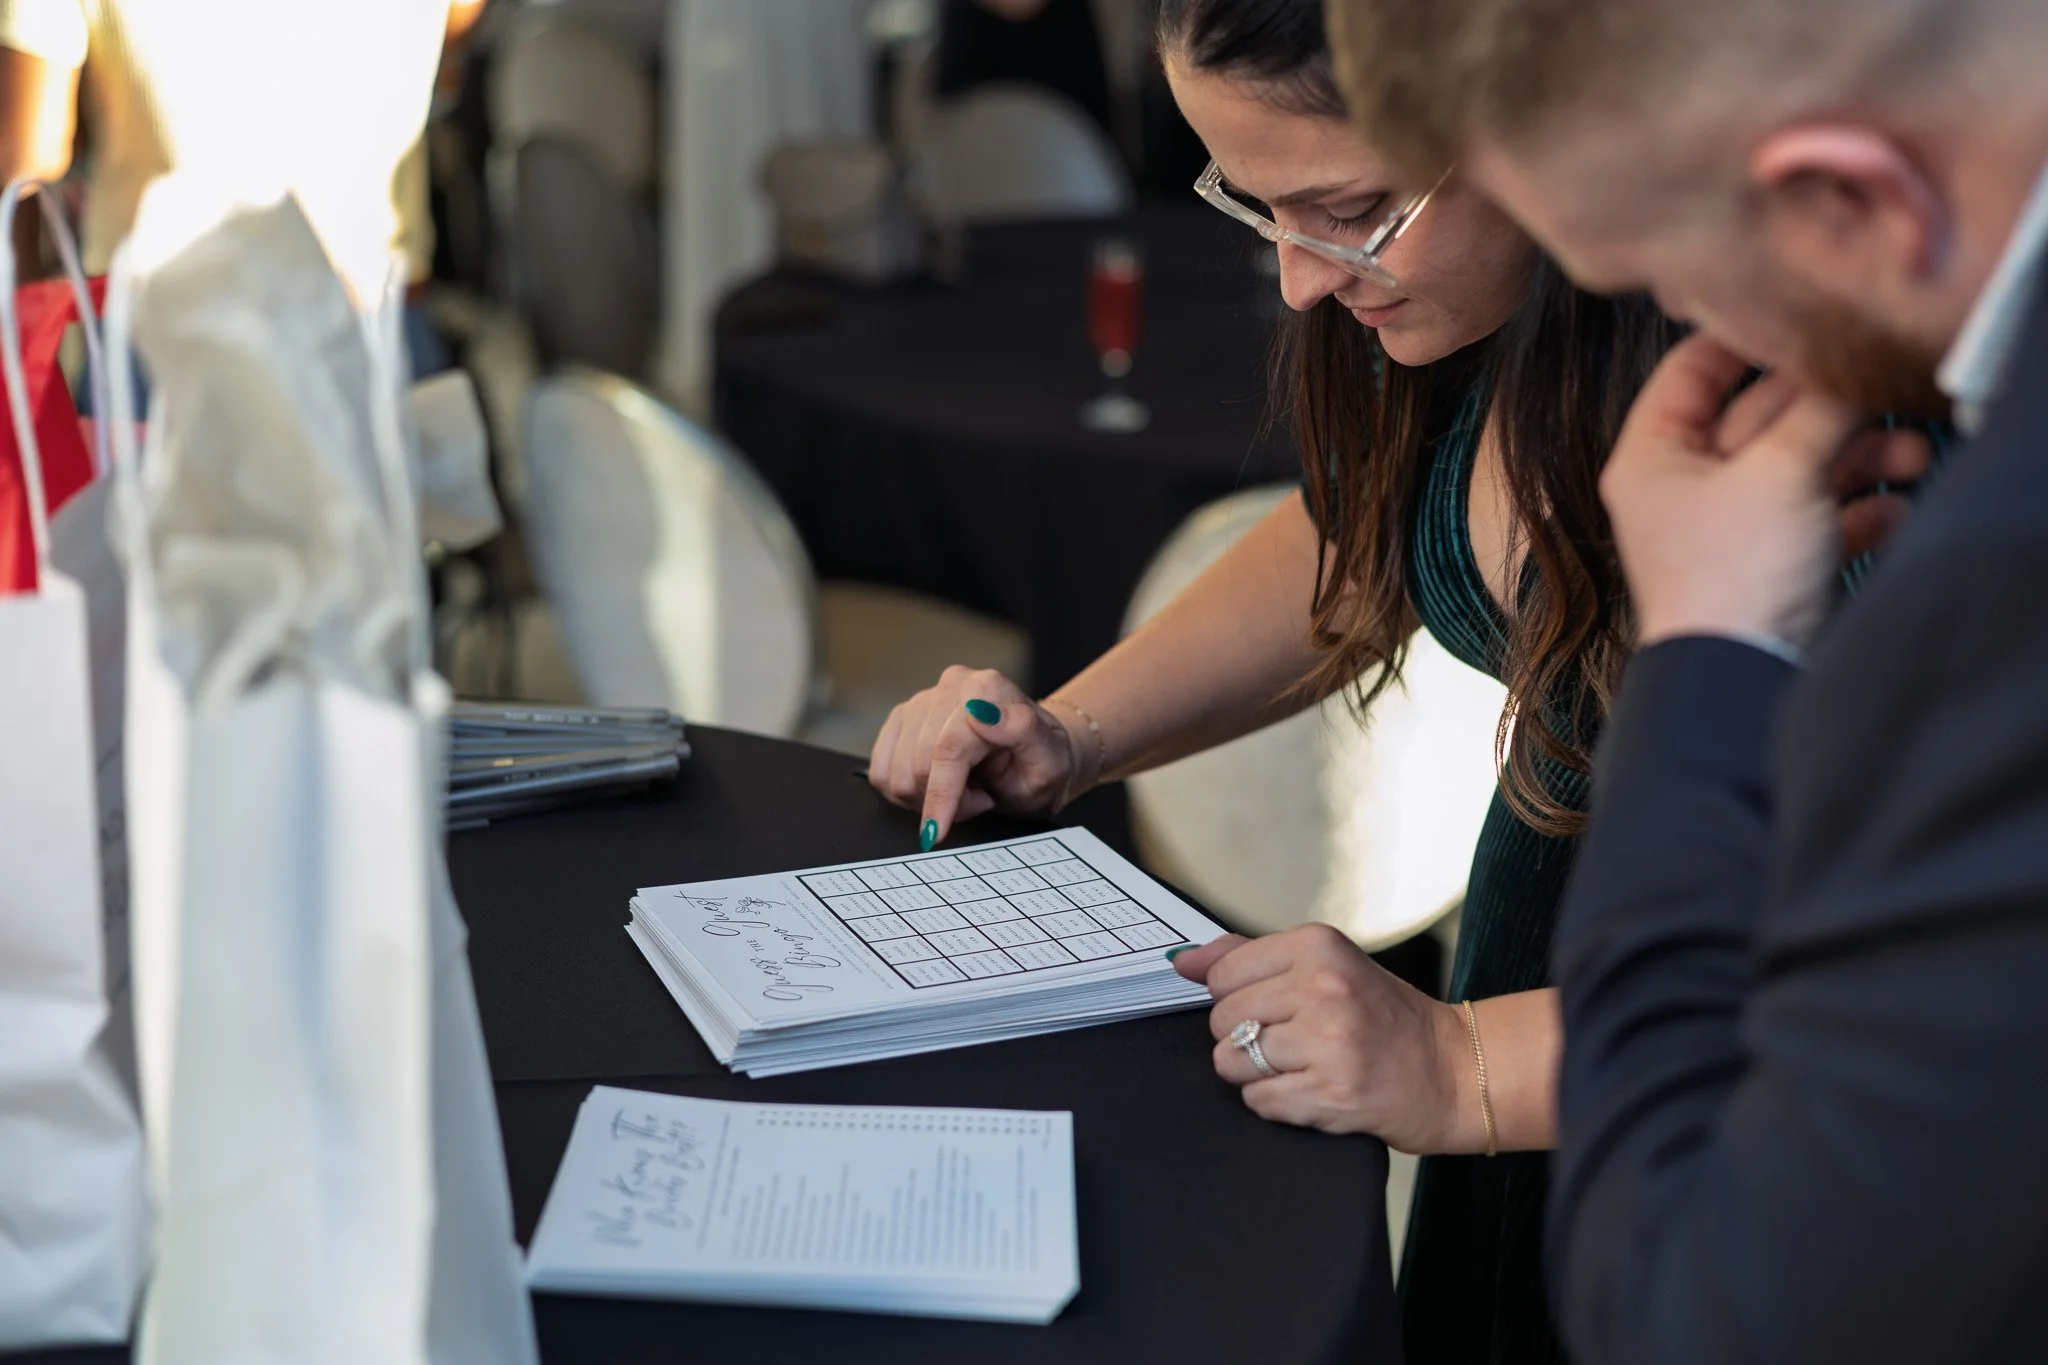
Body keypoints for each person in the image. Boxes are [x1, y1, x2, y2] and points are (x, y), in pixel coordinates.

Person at [874, 0, 1682, 1357]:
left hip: (1689, 1127)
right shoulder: (1480, 307)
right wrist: (1069, 735)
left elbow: (1898, 971)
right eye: (1259, 211)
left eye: (1351, 207)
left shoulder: (1787, 393)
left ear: (1540, 110)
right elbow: (1359, 537)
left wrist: (1461, 1065)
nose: (1305, 282)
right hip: (1543, 1040)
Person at [1328, 0, 2048, 1359]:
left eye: (1658, 264)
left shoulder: (2003, 590)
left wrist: (1707, 650)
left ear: (1850, 195)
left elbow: (1704, 1303)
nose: (1667, 315)